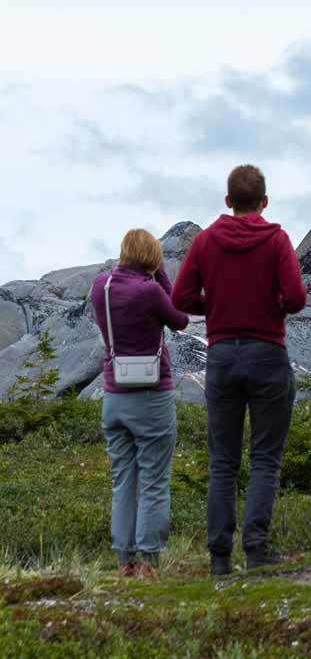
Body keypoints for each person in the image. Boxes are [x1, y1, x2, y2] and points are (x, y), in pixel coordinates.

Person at [172, 165, 308, 576]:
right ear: (264, 202)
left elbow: (180, 297)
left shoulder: (206, 241)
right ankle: (257, 549)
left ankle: (218, 558)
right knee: (265, 458)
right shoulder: (277, 240)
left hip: (223, 356)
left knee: (223, 462)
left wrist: (212, 308)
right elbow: (297, 298)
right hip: (267, 352)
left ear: (228, 201)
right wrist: (272, 305)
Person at [91, 229, 191, 578]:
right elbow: (180, 320)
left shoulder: (100, 286)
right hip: (151, 394)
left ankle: (124, 561)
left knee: (123, 480)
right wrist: (161, 275)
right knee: (153, 480)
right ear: (151, 258)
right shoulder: (150, 291)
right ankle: (149, 560)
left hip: (113, 395)